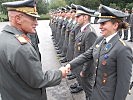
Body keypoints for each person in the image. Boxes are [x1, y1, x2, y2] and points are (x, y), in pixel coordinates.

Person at [0, 0, 68, 100]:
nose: (36, 23)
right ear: (18, 19)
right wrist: (60, 73)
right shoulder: (21, 48)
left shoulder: (4, 37)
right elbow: (39, 80)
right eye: (33, 18)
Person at [65, 4, 132, 100]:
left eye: (103, 24)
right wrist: (69, 65)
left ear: (115, 25)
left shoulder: (123, 49)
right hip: (95, 91)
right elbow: (87, 55)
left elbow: (123, 84)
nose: (100, 27)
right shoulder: (101, 39)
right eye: (100, 23)